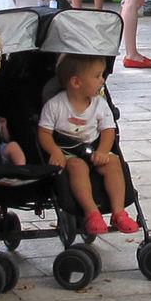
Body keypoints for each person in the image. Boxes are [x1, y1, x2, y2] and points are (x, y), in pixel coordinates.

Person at [37, 53, 136, 236]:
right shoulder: (55, 105)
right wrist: (54, 151)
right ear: (76, 82)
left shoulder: (100, 104)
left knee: (114, 163)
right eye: (97, 76)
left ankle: (118, 211)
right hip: (67, 152)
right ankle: (92, 213)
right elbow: (44, 133)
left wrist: (103, 151)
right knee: (77, 166)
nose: (102, 80)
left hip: (94, 148)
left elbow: (108, 130)